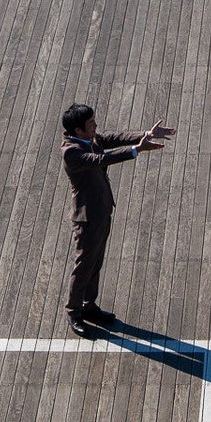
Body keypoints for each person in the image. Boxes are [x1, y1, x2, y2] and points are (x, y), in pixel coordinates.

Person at [60, 103, 174, 334]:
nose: (96, 125)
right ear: (78, 130)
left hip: (101, 212)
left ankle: (88, 305)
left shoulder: (89, 139)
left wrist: (145, 134)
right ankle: (74, 311)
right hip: (87, 218)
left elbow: (113, 138)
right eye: (90, 123)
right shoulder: (72, 153)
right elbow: (99, 160)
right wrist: (136, 150)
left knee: (96, 262)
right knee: (83, 266)